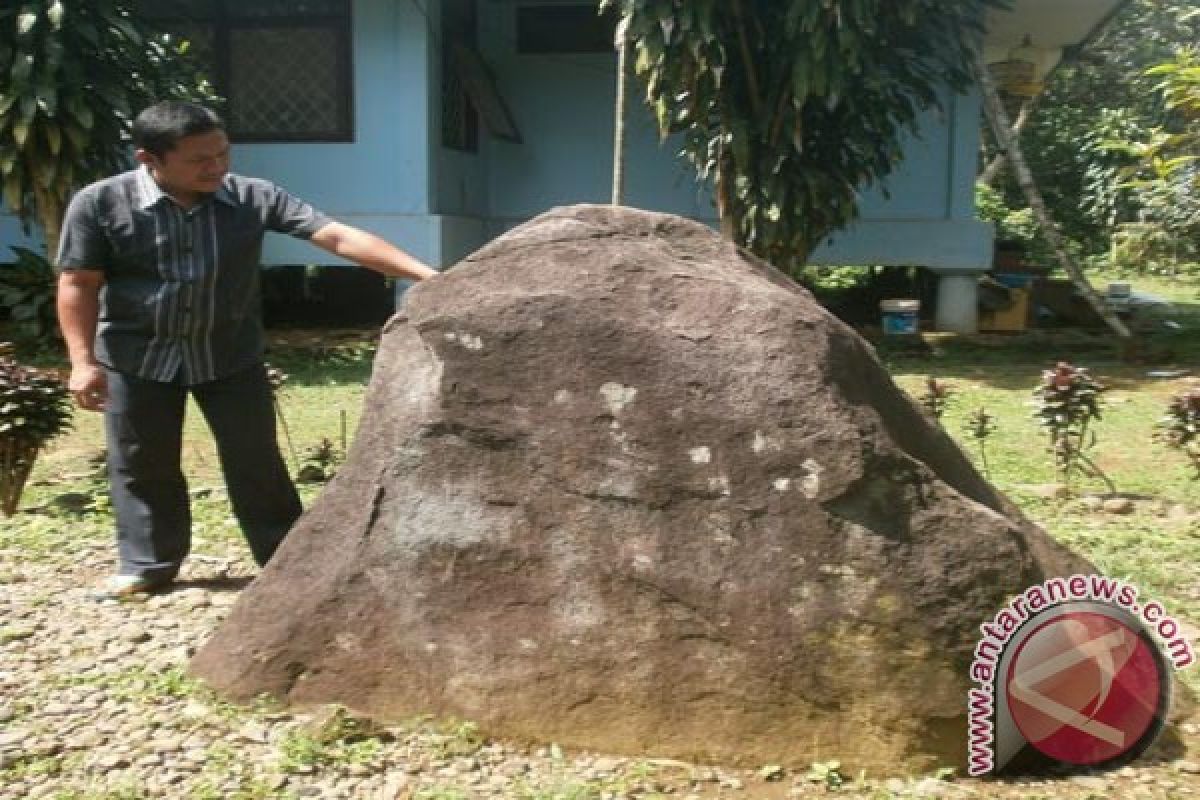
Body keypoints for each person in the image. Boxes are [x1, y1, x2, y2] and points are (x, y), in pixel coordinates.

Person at [56, 101, 438, 597]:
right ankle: (148, 565)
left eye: (222, 153)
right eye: (200, 160)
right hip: (136, 355)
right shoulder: (100, 203)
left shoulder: (252, 197)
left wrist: (428, 275)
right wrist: (82, 361)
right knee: (141, 462)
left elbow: (337, 236)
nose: (216, 167)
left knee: (256, 461)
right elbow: (78, 283)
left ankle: (286, 562)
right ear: (150, 158)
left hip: (229, 355)